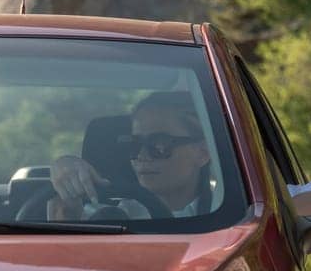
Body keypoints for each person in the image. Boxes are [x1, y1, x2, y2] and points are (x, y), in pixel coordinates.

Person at [47, 91, 212, 220]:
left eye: (159, 144)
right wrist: (64, 172)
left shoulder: (229, 218)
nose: (141, 155)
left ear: (203, 153)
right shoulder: (104, 216)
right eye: (134, 144)